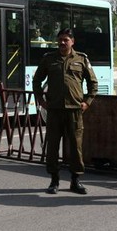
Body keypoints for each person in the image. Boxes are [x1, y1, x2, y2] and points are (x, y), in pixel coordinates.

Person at [32, 28, 98, 195]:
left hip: (75, 110)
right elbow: (36, 80)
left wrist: (87, 102)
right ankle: (54, 180)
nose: (62, 43)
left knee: (76, 147)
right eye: (60, 40)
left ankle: (75, 181)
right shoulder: (49, 59)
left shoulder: (82, 59)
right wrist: (40, 100)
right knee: (53, 146)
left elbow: (93, 83)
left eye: (65, 40)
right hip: (54, 110)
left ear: (72, 42)